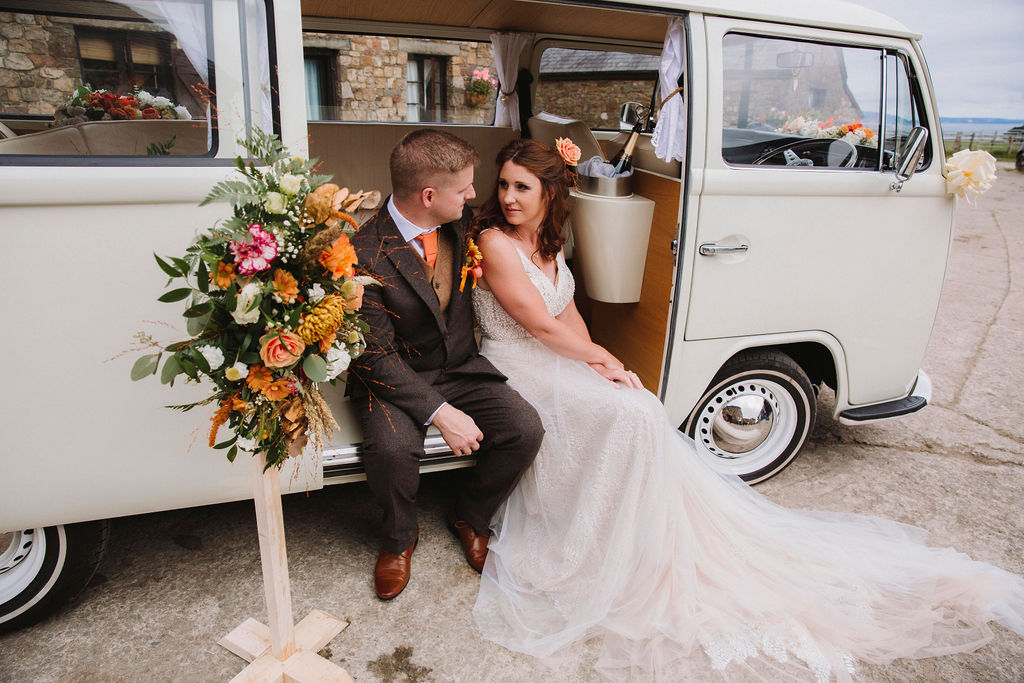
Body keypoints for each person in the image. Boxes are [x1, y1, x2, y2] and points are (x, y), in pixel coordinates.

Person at [468, 138, 1024, 680]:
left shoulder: (548, 241)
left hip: (556, 356)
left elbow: (565, 315)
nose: (510, 197)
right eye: (505, 185)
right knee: (628, 414)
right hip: (516, 360)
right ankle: (588, 540)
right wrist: (603, 359)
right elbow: (539, 326)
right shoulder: (495, 242)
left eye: (523, 187)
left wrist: (602, 366)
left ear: (550, 194)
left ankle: (634, 536)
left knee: (639, 404)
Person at [347, 129, 543, 601]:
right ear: (429, 196)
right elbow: (373, 355)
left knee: (524, 430)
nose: (474, 194)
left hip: (458, 366)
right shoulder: (362, 253)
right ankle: (399, 539)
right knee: (392, 452)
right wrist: (442, 413)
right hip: (393, 375)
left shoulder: (461, 220)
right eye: (465, 188)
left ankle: (469, 516)